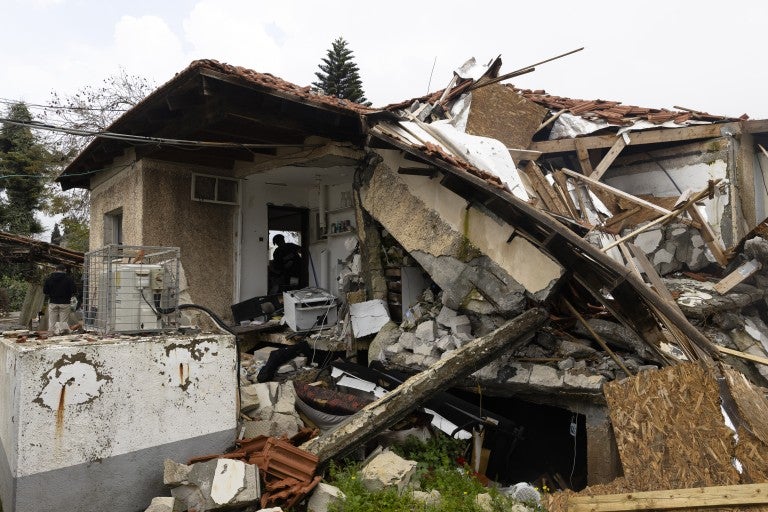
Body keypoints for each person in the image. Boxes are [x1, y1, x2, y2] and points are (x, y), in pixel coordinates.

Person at [43, 264, 77, 332]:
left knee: (52, 322)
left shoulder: (49, 279)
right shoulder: (69, 279)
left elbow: (45, 291)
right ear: (65, 270)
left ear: (55, 270)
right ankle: (61, 335)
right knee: (63, 323)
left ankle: (51, 334)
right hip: (65, 303)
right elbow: (74, 290)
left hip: (53, 302)